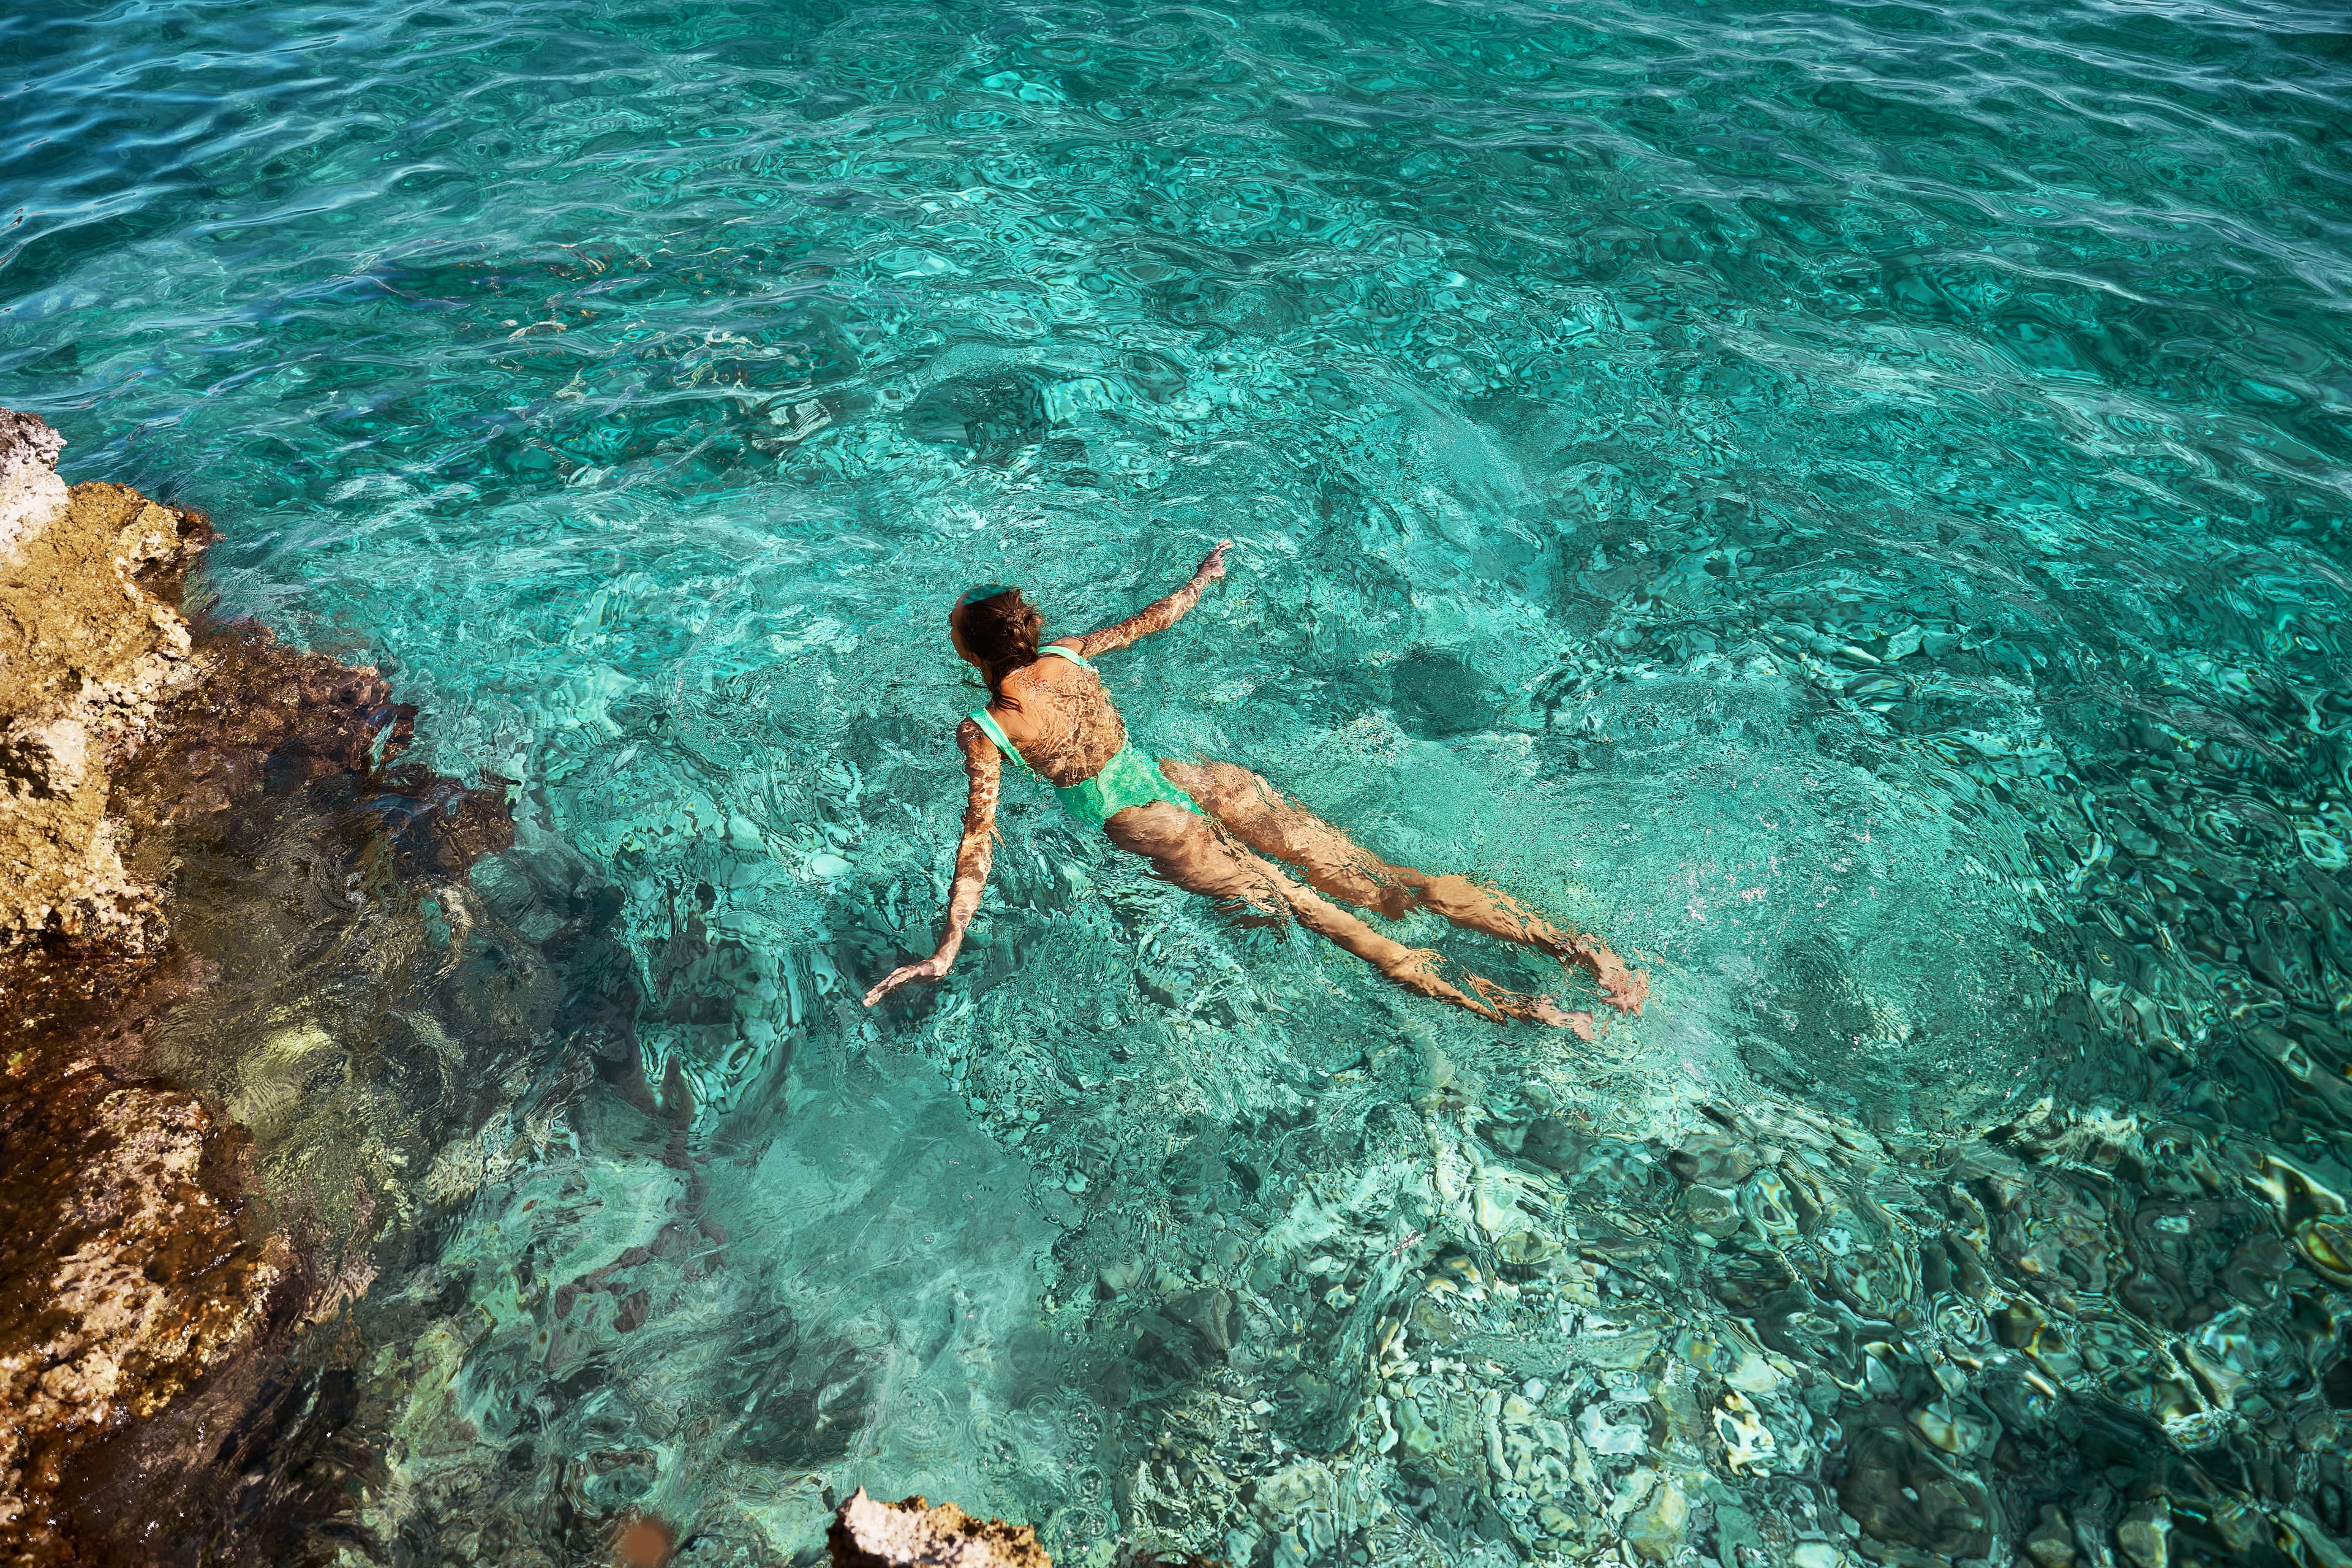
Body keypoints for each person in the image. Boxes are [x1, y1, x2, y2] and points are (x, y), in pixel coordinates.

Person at [861, 543, 1647, 1028]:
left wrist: (949, 943)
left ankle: (1540, 1013)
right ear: (1027, 631)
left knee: (1349, 930)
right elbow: (1151, 619)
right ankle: (1582, 952)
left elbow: (979, 837)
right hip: (1198, 781)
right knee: (1386, 884)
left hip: (1147, 823)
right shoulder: (1068, 655)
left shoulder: (987, 727)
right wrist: (1202, 579)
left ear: (972, 655)